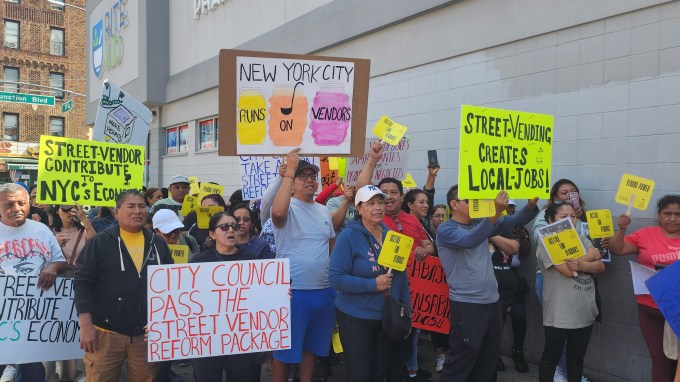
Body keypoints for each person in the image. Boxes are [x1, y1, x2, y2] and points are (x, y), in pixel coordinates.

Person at [437, 186, 538, 382]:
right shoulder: (446, 228)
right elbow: (470, 240)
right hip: (467, 303)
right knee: (463, 356)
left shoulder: (480, 223)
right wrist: (494, 213)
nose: (476, 204)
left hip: (492, 301)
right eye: (469, 200)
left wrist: (530, 205)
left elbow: (512, 221)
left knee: (489, 357)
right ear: (454, 204)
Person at [75, 190, 174, 381]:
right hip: (105, 334)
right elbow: (82, 283)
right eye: (131, 206)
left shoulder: (158, 244)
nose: (138, 211)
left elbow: (169, 285)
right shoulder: (99, 242)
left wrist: (163, 323)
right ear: (116, 212)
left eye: (141, 206)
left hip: (147, 336)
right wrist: (86, 326)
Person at [357, 141, 435, 380]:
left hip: (410, 292)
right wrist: (372, 160)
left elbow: (429, 245)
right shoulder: (376, 221)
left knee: (407, 341)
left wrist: (426, 250)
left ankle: (406, 372)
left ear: (403, 197)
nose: (388, 198)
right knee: (382, 352)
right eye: (382, 195)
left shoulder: (412, 220)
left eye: (393, 193)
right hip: (384, 295)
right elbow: (361, 189)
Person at [329, 185, 412, 382]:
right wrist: (372, 284)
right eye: (371, 203)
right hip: (355, 317)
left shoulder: (391, 235)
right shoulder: (349, 236)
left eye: (381, 202)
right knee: (360, 374)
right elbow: (335, 278)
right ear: (359, 208)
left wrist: (407, 311)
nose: (378, 208)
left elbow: (401, 277)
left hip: (386, 317)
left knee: (379, 372)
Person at [270, 149, 336, 382]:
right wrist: (288, 171)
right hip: (292, 292)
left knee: (312, 349)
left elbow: (330, 244)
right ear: (293, 181)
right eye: (303, 176)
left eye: (313, 176)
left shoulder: (323, 210)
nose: (310, 180)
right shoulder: (286, 206)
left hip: (322, 291)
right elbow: (277, 213)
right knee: (284, 352)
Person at [0, 183, 67, 381]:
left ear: (29, 204)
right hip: (3, 314)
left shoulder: (42, 230)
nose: (17, 209)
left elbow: (61, 262)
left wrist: (53, 267)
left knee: (33, 370)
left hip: (35, 315)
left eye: (22, 203)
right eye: (9, 204)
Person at [610, 195, 680, 382]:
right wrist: (621, 229)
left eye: (678, 214)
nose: (673, 218)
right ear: (659, 215)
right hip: (651, 309)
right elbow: (617, 249)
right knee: (660, 361)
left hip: (678, 312)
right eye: (667, 213)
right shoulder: (645, 234)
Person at [189, 211, 262, 381]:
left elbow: (259, 297)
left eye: (234, 226)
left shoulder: (251, 260)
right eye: (224, 227)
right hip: (207, 339)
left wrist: (278, 295)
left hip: (240, 338)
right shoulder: (198, 262)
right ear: (212, 234)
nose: (230, 230)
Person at [537, 202, 604, 382]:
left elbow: (600, 265)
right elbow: (567, 271)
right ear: (551, 220)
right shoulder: (547, 241)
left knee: (576, 358)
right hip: (560, 312)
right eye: (563, 217)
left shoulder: (582, 238)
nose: (570, 220)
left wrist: (581, 264)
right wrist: (590, 257)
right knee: (551, 357)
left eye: (573, 216)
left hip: (584, 309)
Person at [531, 179, 590, 382]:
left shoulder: (579, 219)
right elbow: (565, 267)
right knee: (557, 338)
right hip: (553, 283)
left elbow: (597, 255)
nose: (569, 195)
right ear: (554, 196)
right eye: (564, 192)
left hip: (581, 295)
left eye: (573, 192)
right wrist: (586, 259)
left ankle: (569, 371)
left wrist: (583, 262)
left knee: (576, 346)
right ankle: (558, 370)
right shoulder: (547, 219)